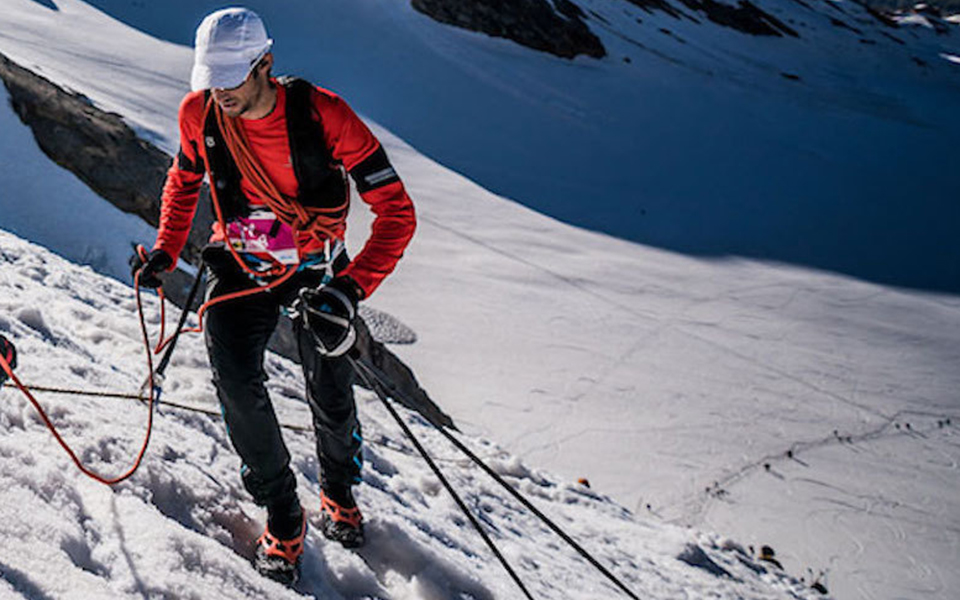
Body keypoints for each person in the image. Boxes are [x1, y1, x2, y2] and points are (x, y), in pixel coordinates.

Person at [130, 7, 416, 584]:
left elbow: (397, 212)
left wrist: (351, 287)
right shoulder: (200, 113)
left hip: (318, 272)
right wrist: (166, 247)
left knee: (329, 391)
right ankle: (283, 514)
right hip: (240, 262)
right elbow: (184, 180)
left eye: (233, 77)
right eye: (212, 78)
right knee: (235, 380)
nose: (221, 92)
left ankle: (338, 490)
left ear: (266, 63)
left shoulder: (325, 116)